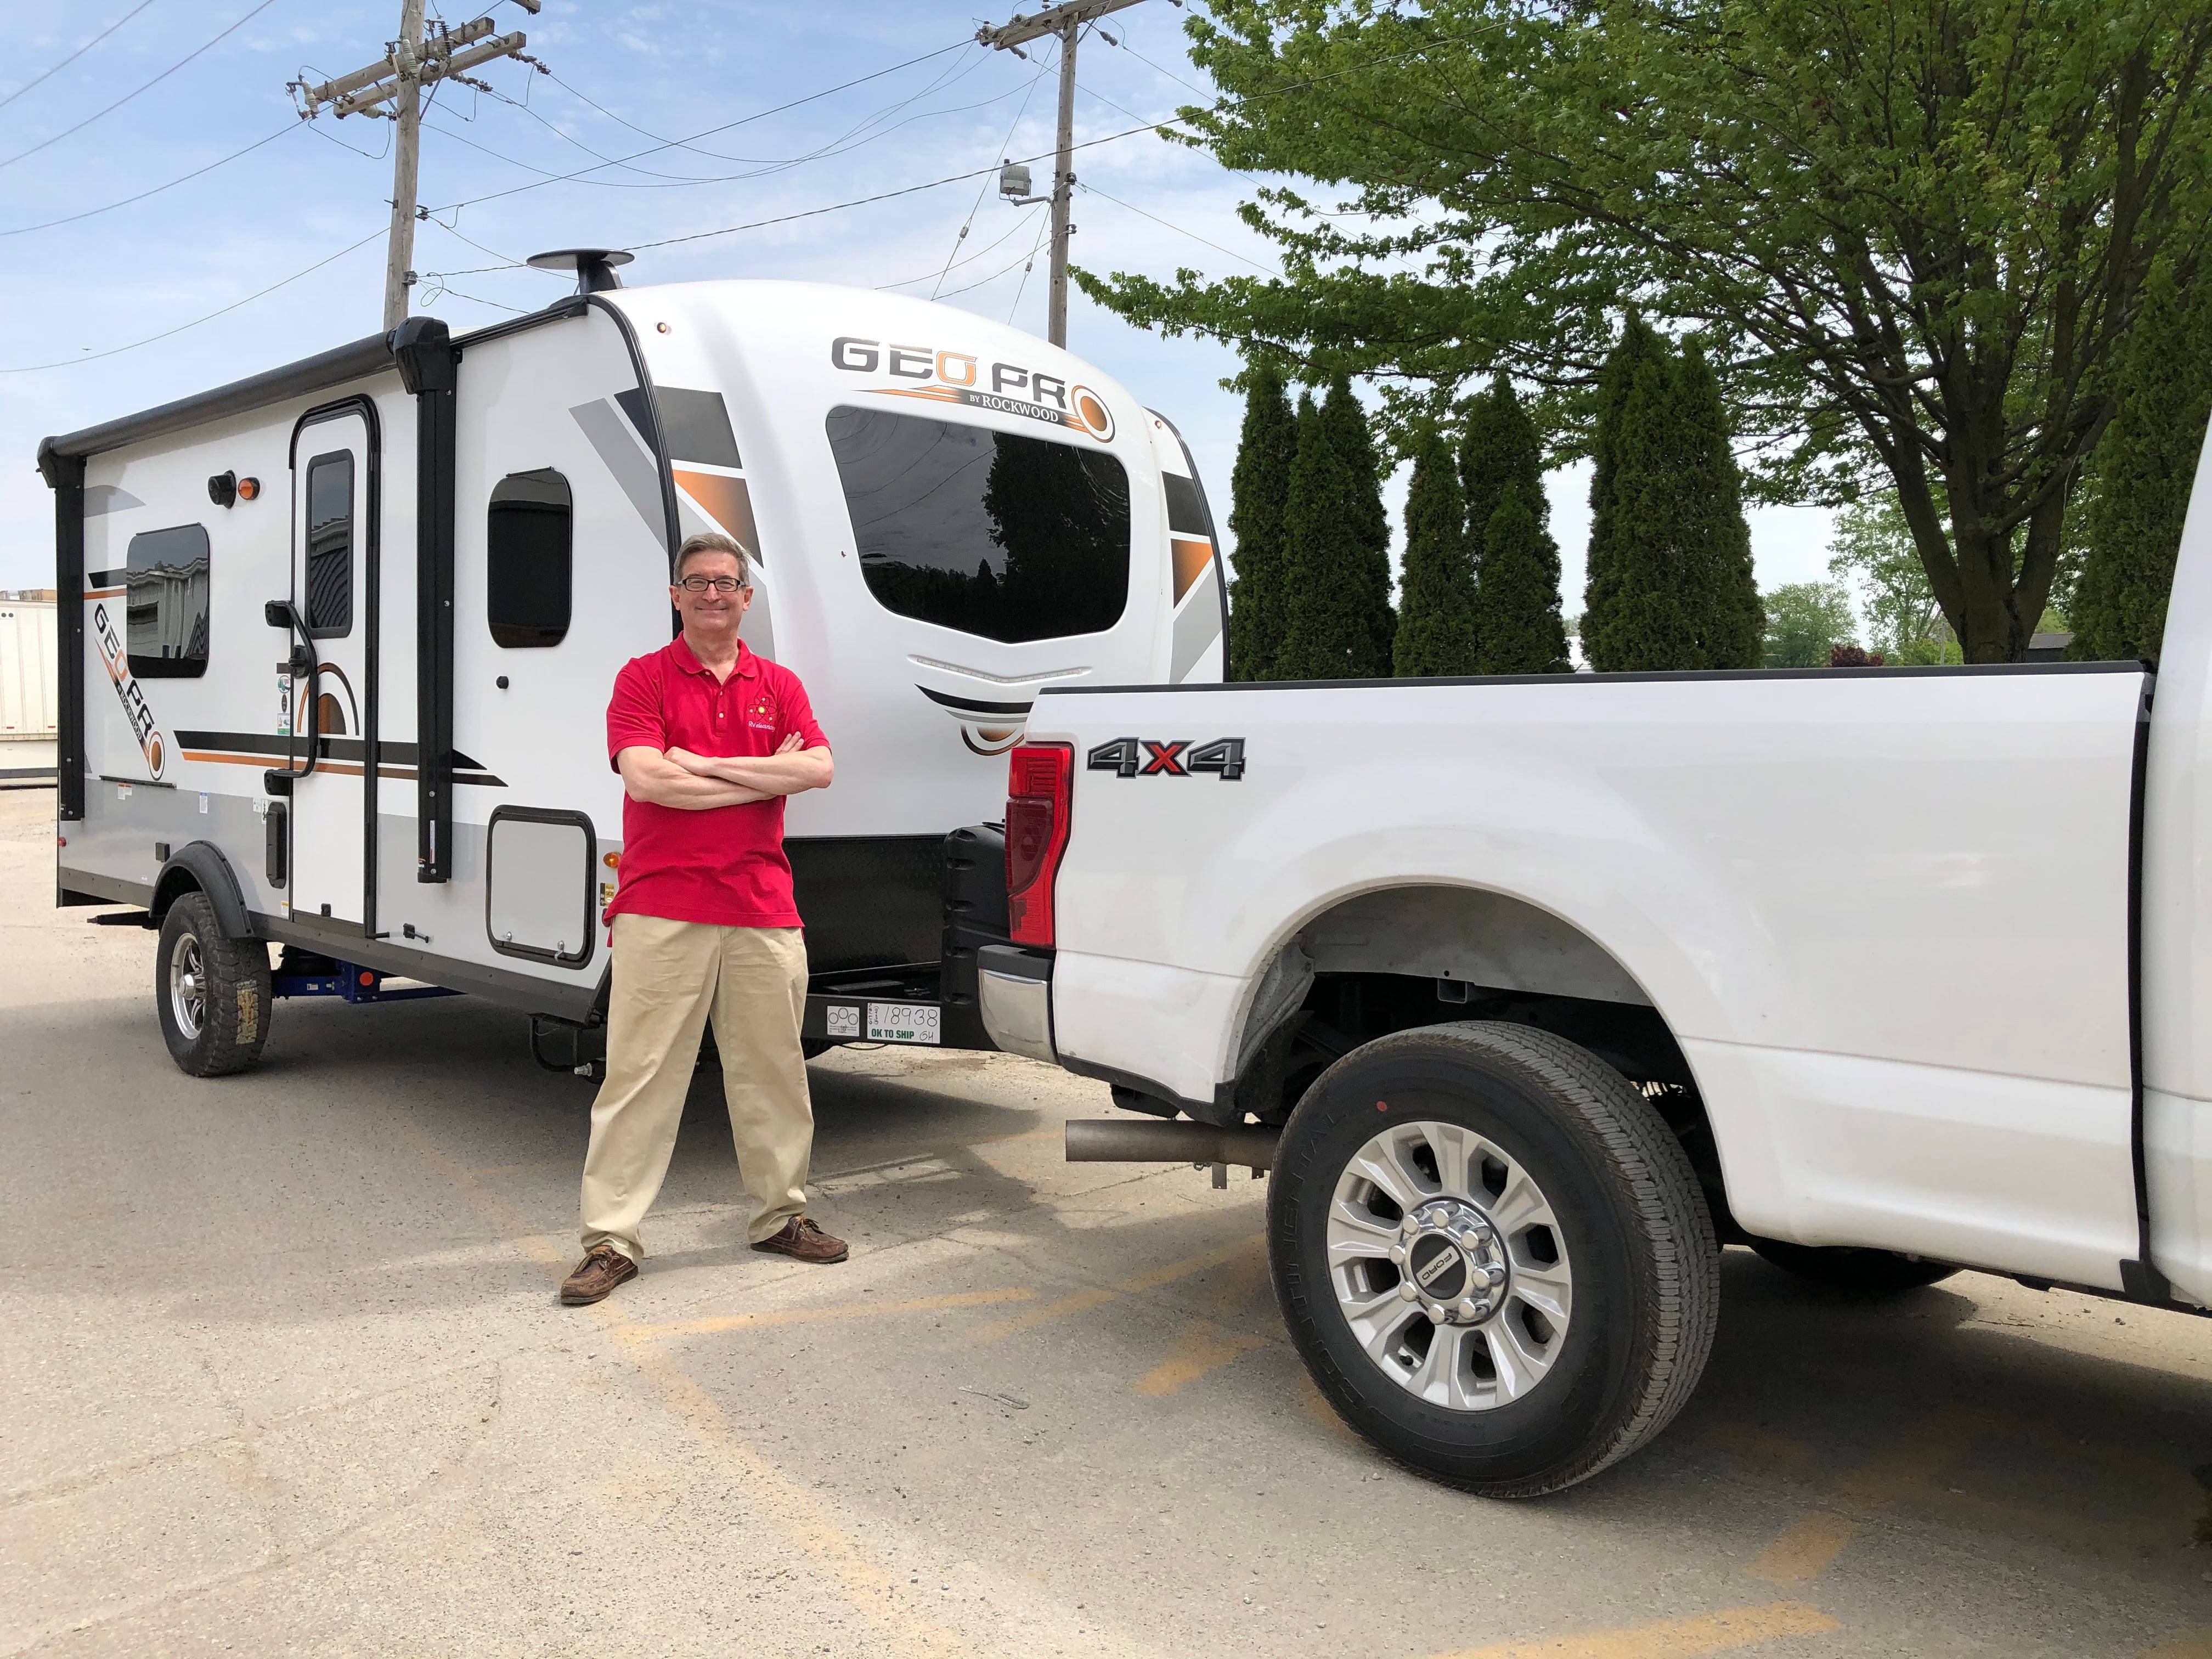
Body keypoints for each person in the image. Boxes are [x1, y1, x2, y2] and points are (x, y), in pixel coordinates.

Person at [561, 531, 845, 1306]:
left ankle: (780, 1218)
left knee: (774, 1074)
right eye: (698, 582)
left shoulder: (778, 683)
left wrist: (704, 763)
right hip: (663, 905)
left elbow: (818, 767)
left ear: (747, 597)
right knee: (640, 1078)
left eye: (727, 582)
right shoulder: (643, 678)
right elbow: (650, 782)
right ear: (676, 595)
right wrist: (761, 777)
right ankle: (611, 1242)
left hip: (762, 908)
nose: (713, 594)